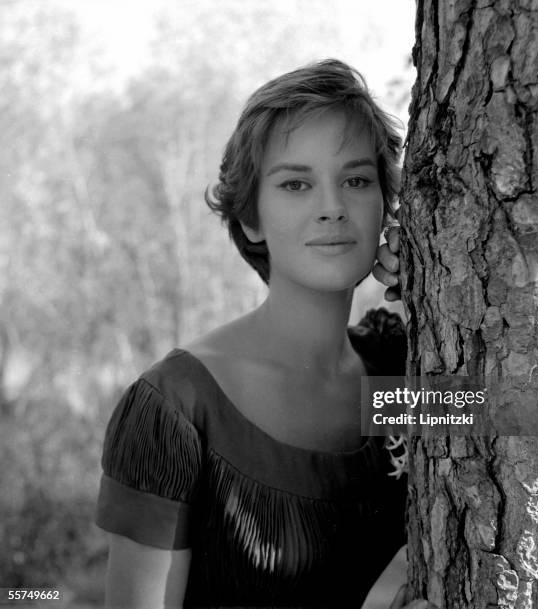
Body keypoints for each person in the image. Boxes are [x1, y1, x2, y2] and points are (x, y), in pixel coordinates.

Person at [95, 59, 429, 609]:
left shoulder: (396, 377)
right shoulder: (178, 409)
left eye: (356, 180)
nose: (332, 208)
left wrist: (435, 288)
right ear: (251, 217)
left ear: (386, 206)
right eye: (296, 184)